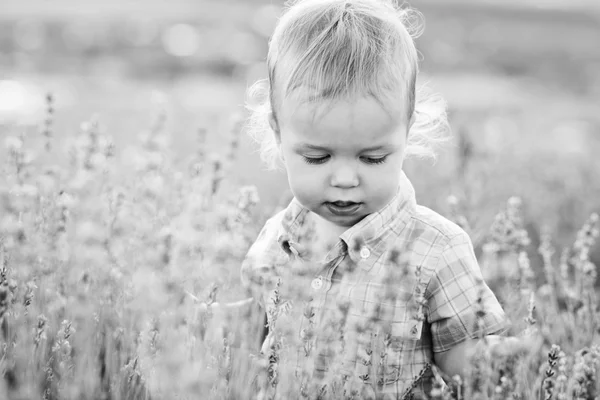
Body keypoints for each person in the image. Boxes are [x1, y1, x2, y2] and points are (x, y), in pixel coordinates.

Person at [240, 0, 537, 398]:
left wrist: (509, 358)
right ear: (278, 131)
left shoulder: (436, 249)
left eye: (372, 157)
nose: (345, 179)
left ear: (407, 127)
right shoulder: (274, 240)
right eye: (317, 157)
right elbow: (259, 336)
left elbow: (461, 359)